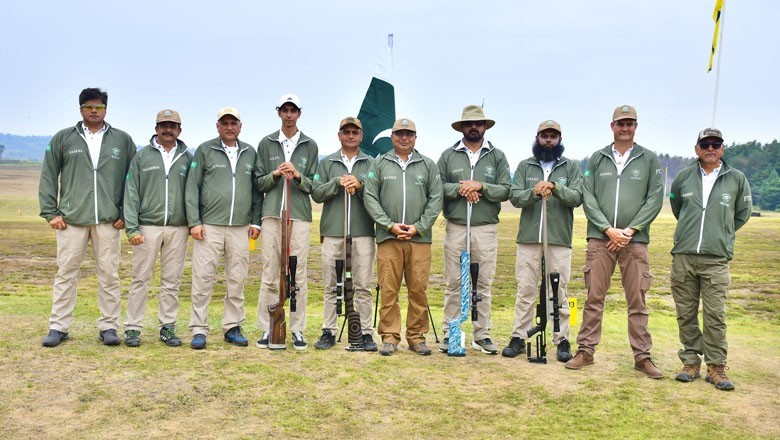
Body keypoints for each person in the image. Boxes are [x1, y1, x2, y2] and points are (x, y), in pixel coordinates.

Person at [565, 105, 665, 379]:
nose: (625, 128)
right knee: (594, 298)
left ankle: (642, 356)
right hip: (601, 239)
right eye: (621, 123)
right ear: (612, 126)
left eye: (630, 123)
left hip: (635, 240)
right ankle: (586, 350)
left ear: (636, 126)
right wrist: (608, 229)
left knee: (637, 301)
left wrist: (629, 231)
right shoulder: (597, 158)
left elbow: (654, 198)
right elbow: (589, 197)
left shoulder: (648, 159)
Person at [39, 87, 136, 347]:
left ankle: (109, 326)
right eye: (89, 106)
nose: (94, 111)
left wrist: (126, 213)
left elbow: (133, 180)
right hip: (71, 220)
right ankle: (58, 327)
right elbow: (49, 175)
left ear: (106, 109)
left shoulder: (122, 140)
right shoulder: (63, 138)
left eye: (99, 106)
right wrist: (50, 212)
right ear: (80, 109)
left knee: (109, 274)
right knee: (66, 273)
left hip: (108, 220)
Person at [669, 128, 752, 391]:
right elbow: (678, 209)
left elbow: (742, 214)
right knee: (686, 313)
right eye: (705, 144)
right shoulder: (683, 177)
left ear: (723, 149)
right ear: (697, 149)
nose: (710, 149)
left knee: (715, 315)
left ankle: (716, 367)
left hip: (716, 259)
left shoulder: (736, 179)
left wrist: (721, 232)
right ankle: (690, 362)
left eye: (716, 144)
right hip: (684, 255)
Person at [504, 120, 583, 361]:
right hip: (529, 238)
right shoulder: (525, 166)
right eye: (544, 136)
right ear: (537, 137)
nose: (548, 140)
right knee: (526, 289)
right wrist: (535, 192)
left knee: (559, 291)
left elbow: (577, 197)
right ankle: (519, 337)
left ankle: (562, 339)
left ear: (560, 139)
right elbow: (514, 196)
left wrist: (555, 187)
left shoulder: (571, 168)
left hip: (558, 239)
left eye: (553, 136)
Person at [364, 118, 443, 356]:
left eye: (409, 134)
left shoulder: (428, 165)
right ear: (392, 137)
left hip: (419, 239)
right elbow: (370, 197)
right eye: (399, 134)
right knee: (389, 289)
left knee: (418, 290)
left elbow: (436, 199)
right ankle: (389, 337)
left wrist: (418, 227)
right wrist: (389, 226)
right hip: (389, 238)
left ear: (415, 137)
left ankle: (417, 337)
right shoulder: (379, 163)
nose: (404, 138)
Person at [185, 107, 262, 350]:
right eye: (225, 123)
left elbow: (256, 190)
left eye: (233, 123)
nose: (229, 127)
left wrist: (256, 221)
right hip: (210, 226)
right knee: (203, 278)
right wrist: (194, 221)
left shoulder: (250, 152)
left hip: (240, 226)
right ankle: (199, 329)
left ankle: (232, 326)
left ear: (240, 126)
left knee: (237, 278)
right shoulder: (205, 150)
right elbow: (192, 187)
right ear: (217, 126)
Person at [437, 105, 510, 355]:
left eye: (478, 123)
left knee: (483, 283)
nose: (474, 127)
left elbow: (505, 190)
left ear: (485, 126)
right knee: (454, 283)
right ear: (462, 127)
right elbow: (437, 187)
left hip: (485, 228)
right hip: (456, 227)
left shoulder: (497, 156)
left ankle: (482, 334)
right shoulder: (448, 155)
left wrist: (481, 186)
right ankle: (451, 333)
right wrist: (461, 188)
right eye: (469, 124)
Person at [122, 109, 192, 347]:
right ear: (156, 129)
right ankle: (133, 328)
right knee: (140, 278)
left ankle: (167, 327)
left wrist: (193, 223)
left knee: (172, 280)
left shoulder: (187, 158)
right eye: (163, 125)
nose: (168, 130)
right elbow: (131, 193)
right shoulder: (142, 157)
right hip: (147, 226)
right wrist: (132, 228)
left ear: (179, 130)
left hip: (178, 227)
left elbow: (194, 193)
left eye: (172, 126)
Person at [255, 94, 319, 350]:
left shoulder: (310, 145)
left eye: (293, 110)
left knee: (297, 273)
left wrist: (298, 175)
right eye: (285, 110)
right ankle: (267, 326)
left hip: (299, 216)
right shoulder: (267, 143)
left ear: (299, 113)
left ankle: (297, 328)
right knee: (270, 272)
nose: (289, 114)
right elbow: (258, 182)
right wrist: (275, 174)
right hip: (272, 214)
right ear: (279, 112)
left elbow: (314, 185)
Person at [311, 117, 377, 351]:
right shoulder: (327, 162)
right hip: (333, 232)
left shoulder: (372, 163)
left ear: (361, 136)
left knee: (363, 285)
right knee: (331, 285)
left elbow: (377, 193)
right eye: (346, 132)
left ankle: (365, 332)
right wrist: (337, 183)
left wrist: (360, 185)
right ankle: (328, 330)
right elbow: (316, 193)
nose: (350, 136)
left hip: (363, 232)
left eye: (354, 132)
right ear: (339, 135)